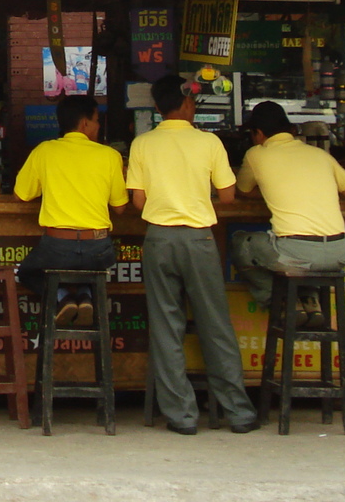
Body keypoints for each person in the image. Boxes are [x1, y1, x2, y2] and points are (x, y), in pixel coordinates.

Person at [126, 73, 259, 435]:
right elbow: (229, 196)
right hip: (199, 239)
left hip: (159, 240)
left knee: (166, 329)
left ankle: (182, 416)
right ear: (187, 104)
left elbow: (138, 202)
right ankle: (239, 412)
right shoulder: (210, 143)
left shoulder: (142, 144)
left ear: (156, 107)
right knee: (215, 325)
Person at [231, 101, 345, 326]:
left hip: (296, 253)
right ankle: (310, 300)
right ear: (290, 129)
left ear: (258, 133)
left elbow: (242, 191)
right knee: (301, 264)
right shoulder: (319, 155)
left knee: (241, 243)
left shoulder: (256, 154)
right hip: (339, 253)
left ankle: (282, 303)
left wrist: (273, 188)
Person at [13, 95, 128, 326]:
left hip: (56, 249)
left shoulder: (44, 151)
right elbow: (120, 207)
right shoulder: (110, 156)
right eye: (96, 120)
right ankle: (86, 294)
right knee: (94, 269)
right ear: (84, 123)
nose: (98, 125)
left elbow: (21, 195)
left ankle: (63, 297)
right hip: (98, 250)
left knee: (27, 272)